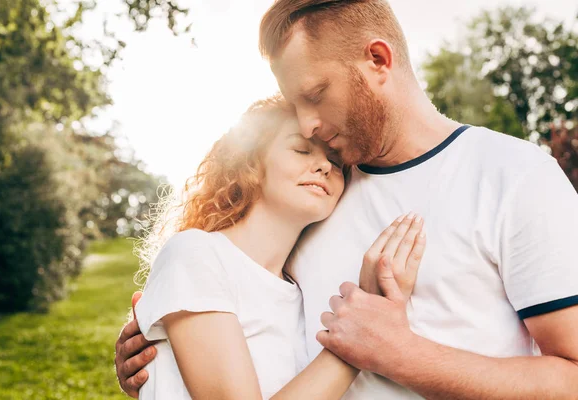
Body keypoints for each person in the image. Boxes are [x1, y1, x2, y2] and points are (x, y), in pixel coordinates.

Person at [116, 1, 578, 398]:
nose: (308, 124)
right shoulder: (313, 196)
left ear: (378, 59)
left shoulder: (515, 176)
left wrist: (401, 354)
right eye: (294, 106)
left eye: (315, 94)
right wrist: (163, 351)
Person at [129, 95, 427, 399]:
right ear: (251, 166)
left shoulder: (302, 295)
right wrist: (359, 335)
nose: (324, 165)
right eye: (301, 149)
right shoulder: (195, 253)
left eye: (336, 162)